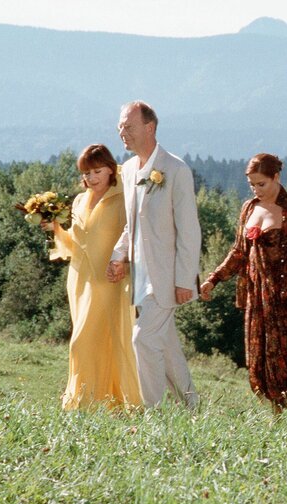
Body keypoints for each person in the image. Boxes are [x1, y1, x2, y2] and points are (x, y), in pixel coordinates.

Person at [107, 101, 201, 408]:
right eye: (120, 126)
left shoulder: (176, 170)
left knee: (143, 340)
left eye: (129, 126)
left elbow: (189, 231)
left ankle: (153, 416)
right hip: (141, 278)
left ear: (150, 128)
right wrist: (118, 255)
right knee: (167, 346)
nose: (123, 133)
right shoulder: (129, 169)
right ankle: (192, 408)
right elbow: (132, 223)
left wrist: (185, 279)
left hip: (168, 276)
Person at [200, 154, 287, 414]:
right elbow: (239, 252)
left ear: (276, 178)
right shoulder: (248, 208)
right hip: (256, 297)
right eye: (252, 184)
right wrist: (213, 279)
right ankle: (281, 417)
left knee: (278, 367)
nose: (256, 189)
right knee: (259, 366)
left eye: (261, 184)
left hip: (283, 300)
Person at [48, 144, 142, 410]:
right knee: (89, 339)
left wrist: (125, 263)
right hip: (80, 281)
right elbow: (74, 244)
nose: (92, 178)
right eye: (87, 173)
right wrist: (54, 228)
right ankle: (99, 403)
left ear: (111, 169)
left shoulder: (123, 198)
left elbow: (134, 236)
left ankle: (89, 401)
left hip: (110, 281)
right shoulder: (79, 201)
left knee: (87, 341)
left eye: (97, 171)